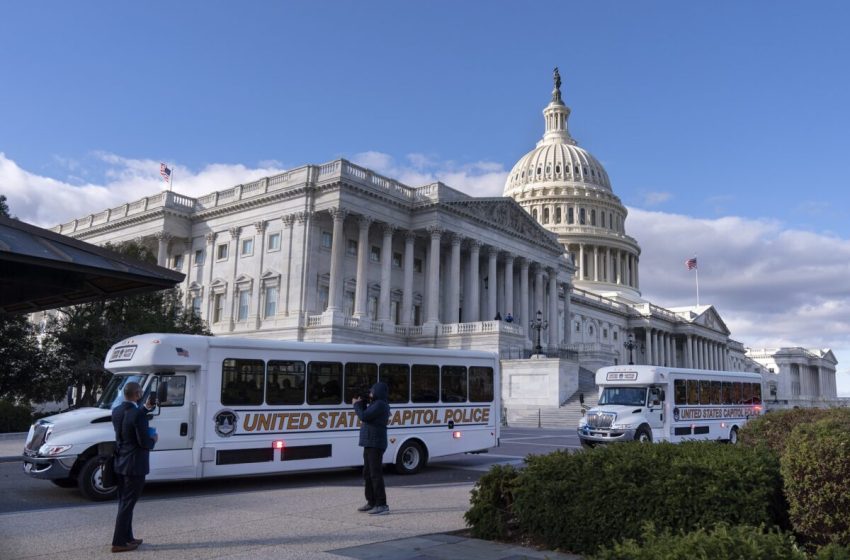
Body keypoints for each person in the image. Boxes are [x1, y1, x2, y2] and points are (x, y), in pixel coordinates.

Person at [111, 382, 157, 553]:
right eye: (141, 393)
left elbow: (128, 422)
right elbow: (144, 442)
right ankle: (118, 542)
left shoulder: (117, 411)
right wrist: (154, 439)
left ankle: (128, 537)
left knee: (124, 502)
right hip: (135, 465)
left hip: (120, 462)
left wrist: (145, 408)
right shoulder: (138, 415)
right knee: (128, 504)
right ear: (137, 394)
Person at [352, 382, 391, 515]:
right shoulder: (375, 404)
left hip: (376, 443)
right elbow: (365, 413)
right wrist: (362, 403)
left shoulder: (380, 404)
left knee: (375, 474)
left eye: (372, 391)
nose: (370, 394)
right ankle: (371, 502)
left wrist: (356, 405)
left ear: (378, 392)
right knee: (367, 474)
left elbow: (364, 416)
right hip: (369, 442)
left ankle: (382, 504)